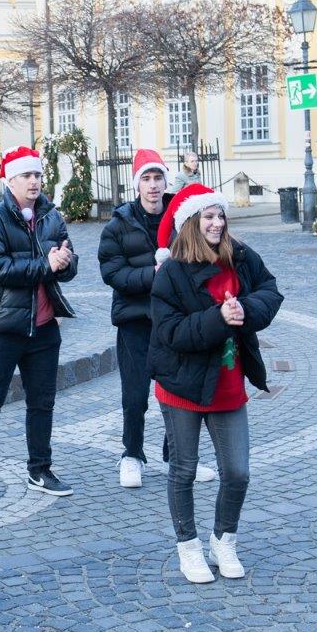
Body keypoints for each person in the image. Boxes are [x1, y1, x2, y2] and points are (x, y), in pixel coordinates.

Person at [149, 183, 283, 584]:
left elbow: (270, 291)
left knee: (238, 472)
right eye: (208, 216)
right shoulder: (171, 271)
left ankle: (223, 540)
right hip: (182, 385)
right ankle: (188, 547)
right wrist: (219, 319)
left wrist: (247, 309)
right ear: (190, 222)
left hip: (227, 382)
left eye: (220, 215)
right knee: (184, 470)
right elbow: (171, 332)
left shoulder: (240, 257)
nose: (217, 222)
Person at [0, 145, 78, 510]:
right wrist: (47, 264)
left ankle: (40, 469)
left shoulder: (50, 216)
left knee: (42, 402)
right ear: (9, 180)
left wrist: (64, 262)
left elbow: (69, 264)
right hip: (0, 329)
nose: (34, 181)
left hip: (43, 328)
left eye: (38, 175)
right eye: (27, 175)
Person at [99, 149, 217, 490]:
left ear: (166, 181)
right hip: (135, 321)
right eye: (146, 179)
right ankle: (131, 454)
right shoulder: (119, 224)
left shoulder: (184, 218)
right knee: (135, 394)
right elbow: (113, 273)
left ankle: (176, 458)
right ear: (137, 185)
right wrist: (154, 274)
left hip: (173, 322)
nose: (153, 186)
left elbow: (201, 257)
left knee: (177, 393)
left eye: (158, 178)